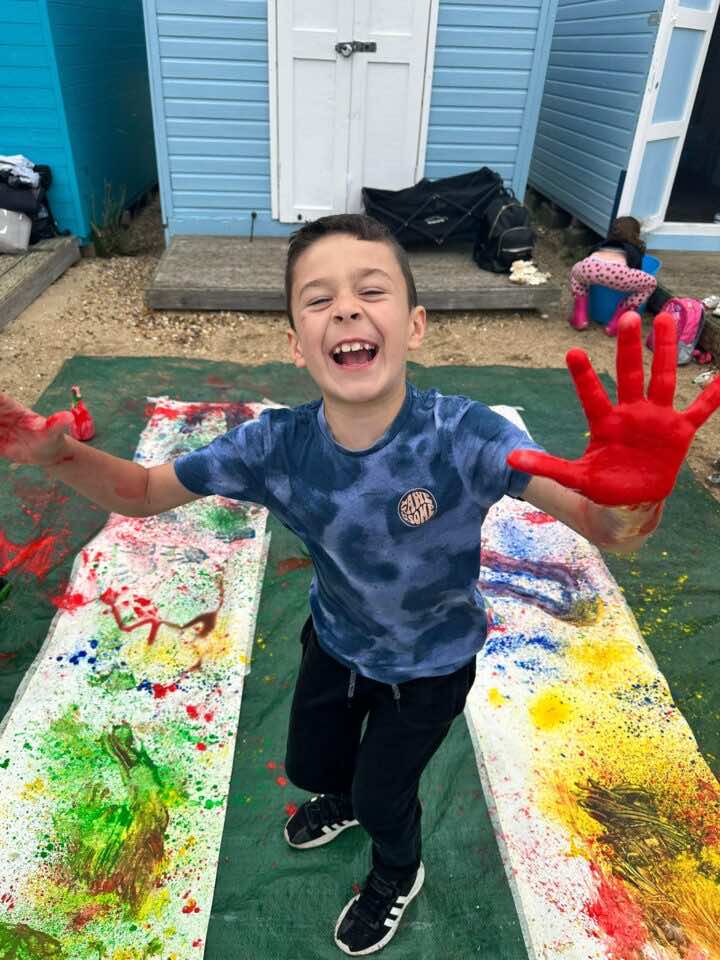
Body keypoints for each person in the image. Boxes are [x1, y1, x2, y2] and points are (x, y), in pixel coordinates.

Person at [1, 214, 719, 957]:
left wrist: (635, 494)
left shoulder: (466, 436)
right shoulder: (275, 446)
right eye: (318, 299)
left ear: (414, 326)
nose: (345, 307)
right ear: (295, 344)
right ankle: (339, 796)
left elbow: (606, 529)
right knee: (315, 766)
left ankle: (395, 873)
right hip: (337, 643)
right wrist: (61, 456)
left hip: (432, 665)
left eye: (370, 289)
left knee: (386, 797)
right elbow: (146, 490)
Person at [569, 215, 657, 336]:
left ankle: (580, 316)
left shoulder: (601, 244)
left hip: (590, 268)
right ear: (635, 234)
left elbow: (589, 256)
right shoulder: (634, 250)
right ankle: (616, 322)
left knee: (575, 272)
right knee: (651, 283)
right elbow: (636, 268)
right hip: (618, 275)